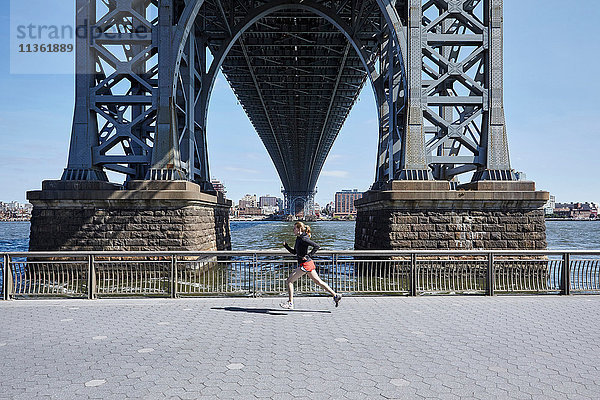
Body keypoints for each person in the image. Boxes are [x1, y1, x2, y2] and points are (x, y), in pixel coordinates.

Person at [280, 221, 342, 309]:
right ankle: (335, 295)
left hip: (306, 264)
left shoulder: (303, 239)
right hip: (306, 264)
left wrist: (308, 255)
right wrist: (286, 246)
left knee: (289, 281)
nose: (293, 230)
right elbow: (295, 252)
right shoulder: (298, 239)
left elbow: (317, 246)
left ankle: (290, 303)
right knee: (318, 282)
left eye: (294, 228)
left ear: (299, 229)